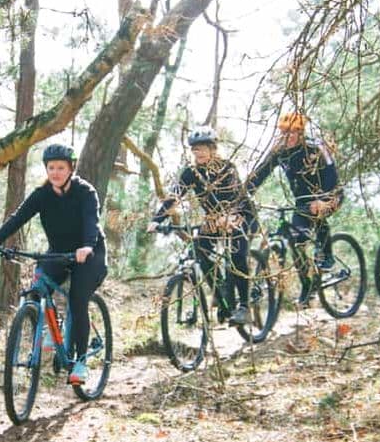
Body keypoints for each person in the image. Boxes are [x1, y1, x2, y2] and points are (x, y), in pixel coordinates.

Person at [0, 144, 107, 385]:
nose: (56, 172)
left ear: (71, 168)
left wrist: (87, 246)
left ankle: (80, 361)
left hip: (89, 254)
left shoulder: (85, 192)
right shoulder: (42, 195)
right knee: (37, 287)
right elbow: (18, 217)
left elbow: (91, 221)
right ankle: (51, 328)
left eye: (61, 167)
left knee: (77, 299)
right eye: (51, 168)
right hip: (58, 253)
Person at [147, 125, 258, 326]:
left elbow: (238, 197)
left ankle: (243, 307)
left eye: (202, 148)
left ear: (213, 149)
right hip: (215, 221)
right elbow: (174, 197)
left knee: (236, 255)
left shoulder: (227, 168)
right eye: (194, 149)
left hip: (241, 215)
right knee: (200, 248)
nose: (197, 153)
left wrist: (231, 216)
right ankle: (222, 290)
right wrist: (157, 220)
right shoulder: (191, 173)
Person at [246, 111, 342, 304]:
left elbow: (333, 177)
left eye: (291, 134)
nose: (286, 137)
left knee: (317, 212)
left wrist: (324, 200)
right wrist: (244, 195)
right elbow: (260, 174)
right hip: (302, 201)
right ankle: (307, 284)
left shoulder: (316, 147)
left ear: (300, 133)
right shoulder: (279, 151)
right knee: (296, 240)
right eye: (283, 133)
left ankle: (327, 256)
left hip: (330, 194)